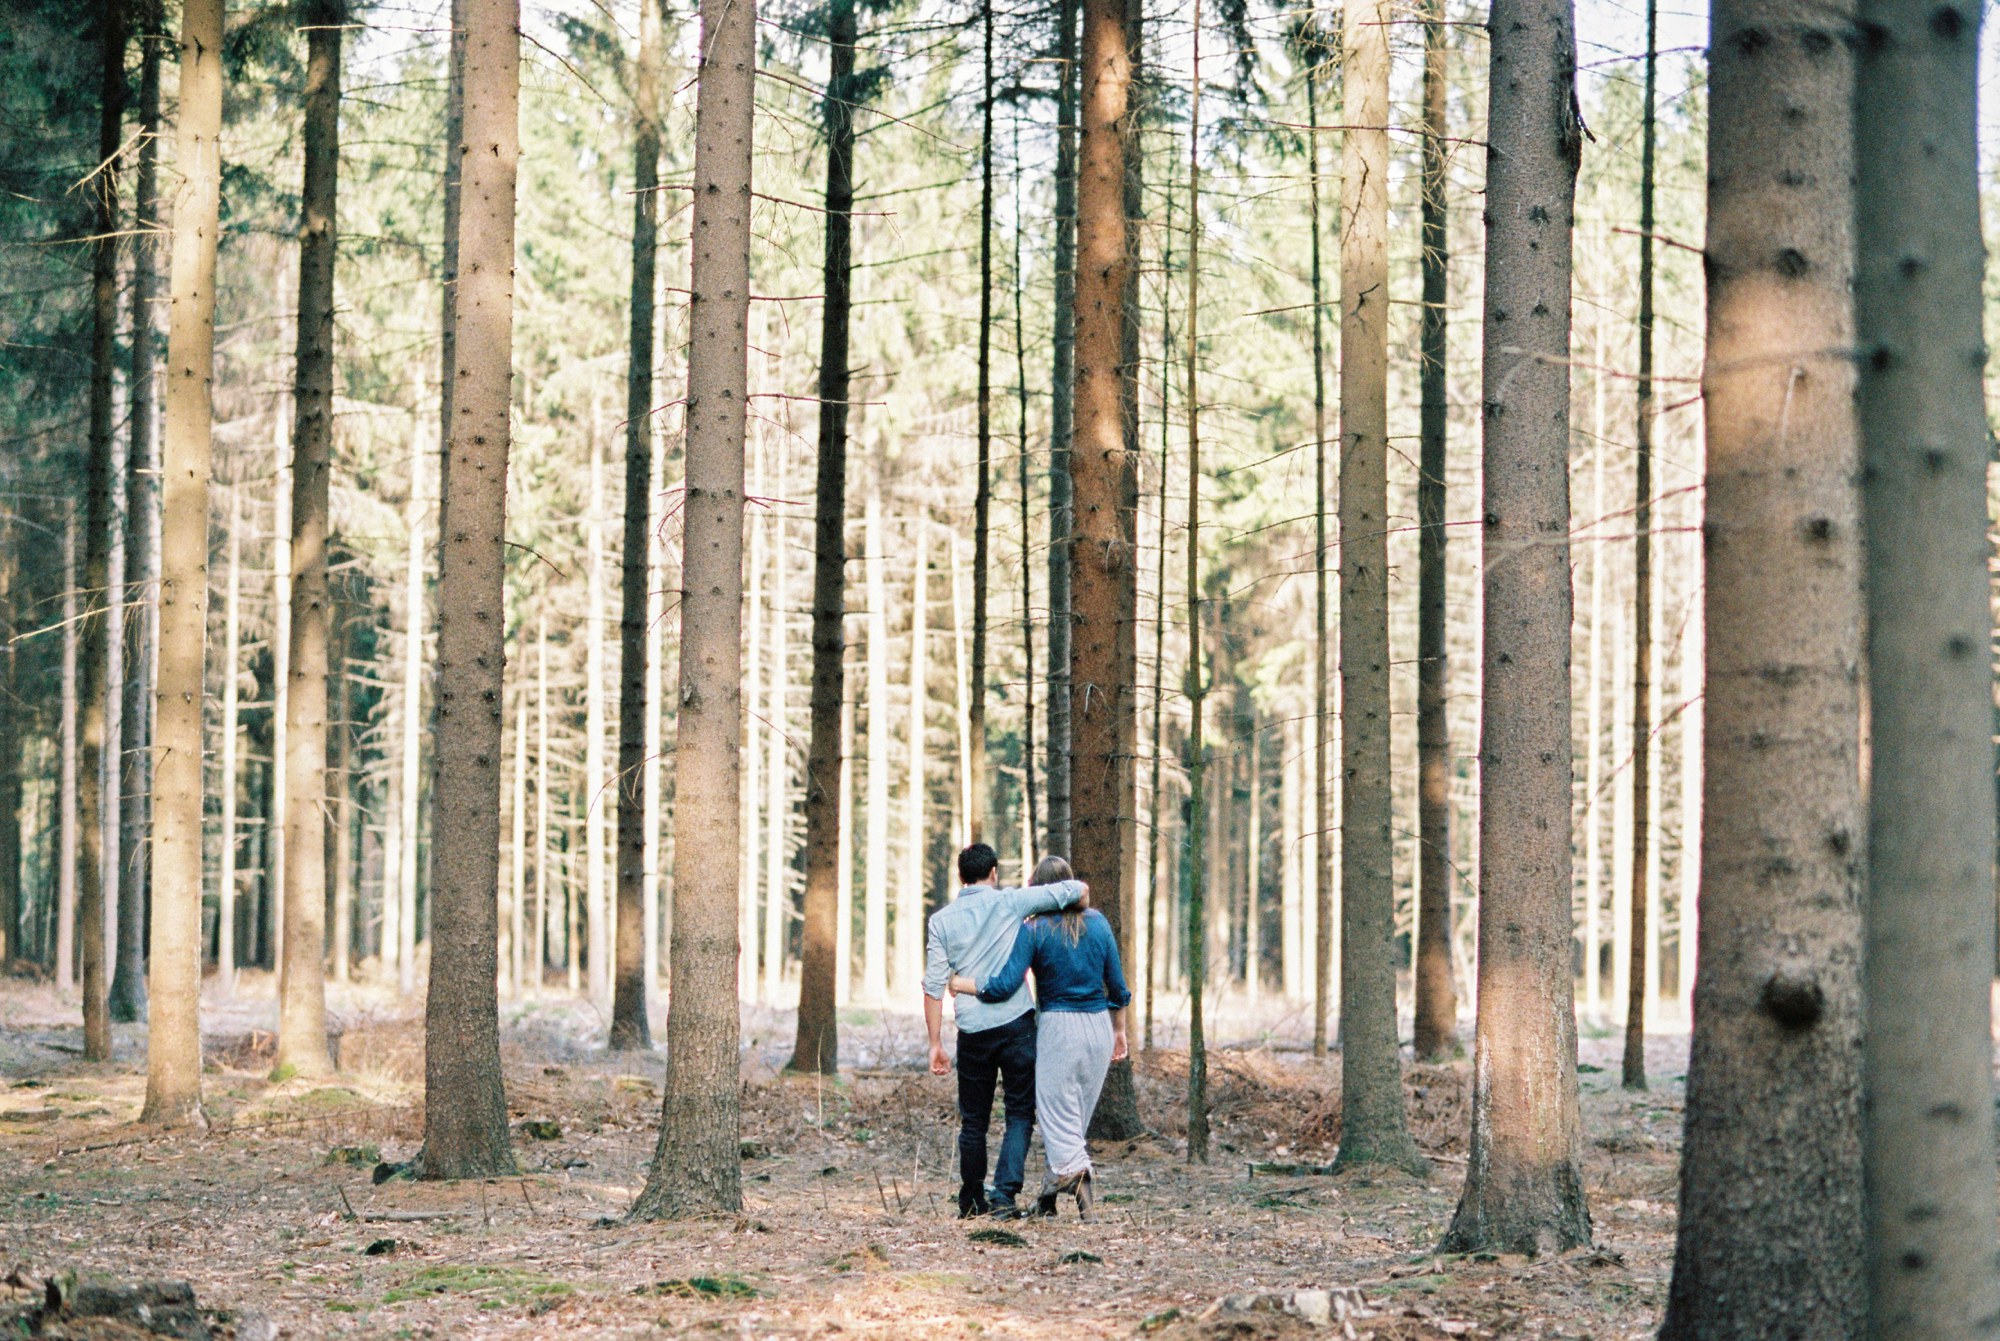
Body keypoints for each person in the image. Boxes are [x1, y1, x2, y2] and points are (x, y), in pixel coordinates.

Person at [950, 855, 1130, 1222]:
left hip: (1059, 1028)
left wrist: (959, 984)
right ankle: (1049, 1196)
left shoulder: (1033, 930)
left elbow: (1002, 985)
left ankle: (1084, 1194)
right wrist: (1120, 1030)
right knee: (1072, 1117)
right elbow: (1118, 985)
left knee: (1055, 1116)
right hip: (1098, 1025)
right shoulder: (1098, 923)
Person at [924, 843, 1087, 1220]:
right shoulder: (1011, 902)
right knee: (1018, 1113)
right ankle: (1004, 1195)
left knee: (975, 1121)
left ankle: (971, 1200)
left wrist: (935, 1043)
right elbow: (1074, 890)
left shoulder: (942, 921)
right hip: (1016, 1025)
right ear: (993, 873)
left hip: (973, 1030)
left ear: (960, 877)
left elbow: (933, 987)